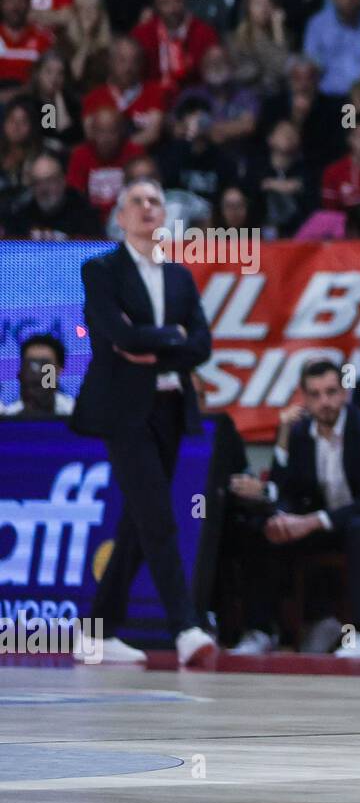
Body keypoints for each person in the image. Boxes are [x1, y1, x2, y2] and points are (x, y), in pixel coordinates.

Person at [68, 178, 216, 667]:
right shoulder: (101, 269)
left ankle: (98, 631)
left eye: (155, 201)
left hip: (170, 407)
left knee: (138, 517)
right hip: (123, 411)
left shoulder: (179, 276)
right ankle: (186, 627)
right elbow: (116, 336)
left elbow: (200, 344)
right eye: (138, 201)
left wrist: (150, 341)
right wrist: (165, 338)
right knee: (156, 514)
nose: (149, 208)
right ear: (121, 215)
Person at [228, 360, 360, 657]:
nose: (324, 401)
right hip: (331, 525)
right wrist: (283, 517)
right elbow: (285, 490)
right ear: (305, 399)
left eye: (331, 392)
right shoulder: (299, 434)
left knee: (358, 528)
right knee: (265, 530)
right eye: (315, 394)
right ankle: (263, 631)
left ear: (344, 394)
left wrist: (312, 521)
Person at [6, 150, 102, 239]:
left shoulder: (84, 213)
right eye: (37, 182)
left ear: (63, 181)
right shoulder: (21, 214)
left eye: (50, 180)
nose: (44, 188)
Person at [2, 332, 74, 416]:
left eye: (45, 365)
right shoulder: (9, 417)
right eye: (31, 364)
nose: (38, 372)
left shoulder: (75, 414)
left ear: (59, 369)